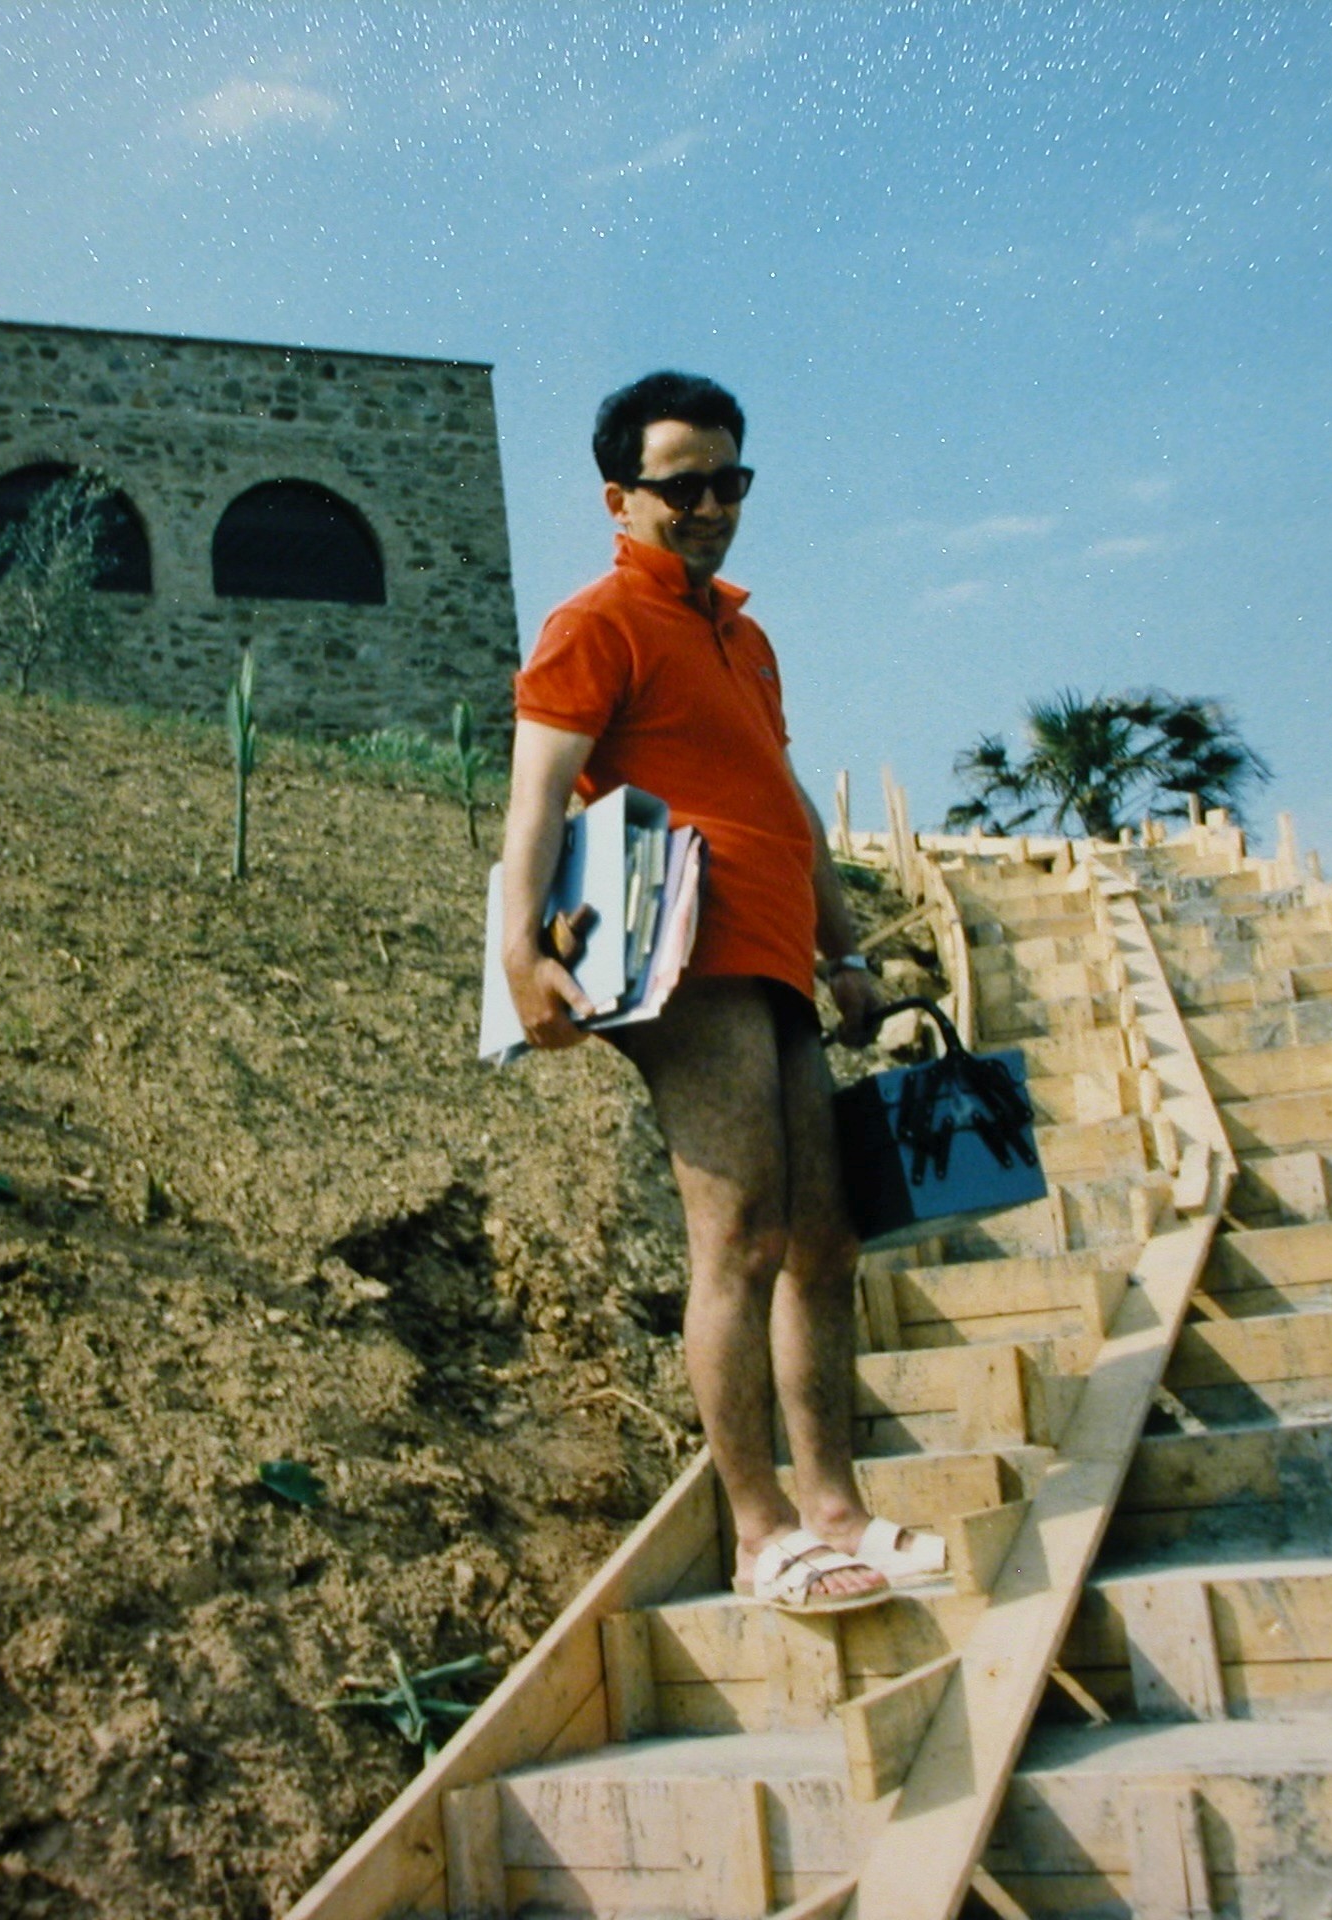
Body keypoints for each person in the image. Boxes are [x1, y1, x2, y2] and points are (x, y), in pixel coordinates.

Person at [498, 371, 944, 1614]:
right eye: (678, 486)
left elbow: (785, 801)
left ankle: (838, 1510)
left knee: (824, 1243)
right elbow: (537, 795)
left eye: (727, 482)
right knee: (737, 1236)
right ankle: (760, 1534)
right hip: (679, 958)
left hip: (775, 952)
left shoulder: (743, 637)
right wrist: (520, 949)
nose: (707, 506)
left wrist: (847, 950)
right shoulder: (594, 625)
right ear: (619, 499)